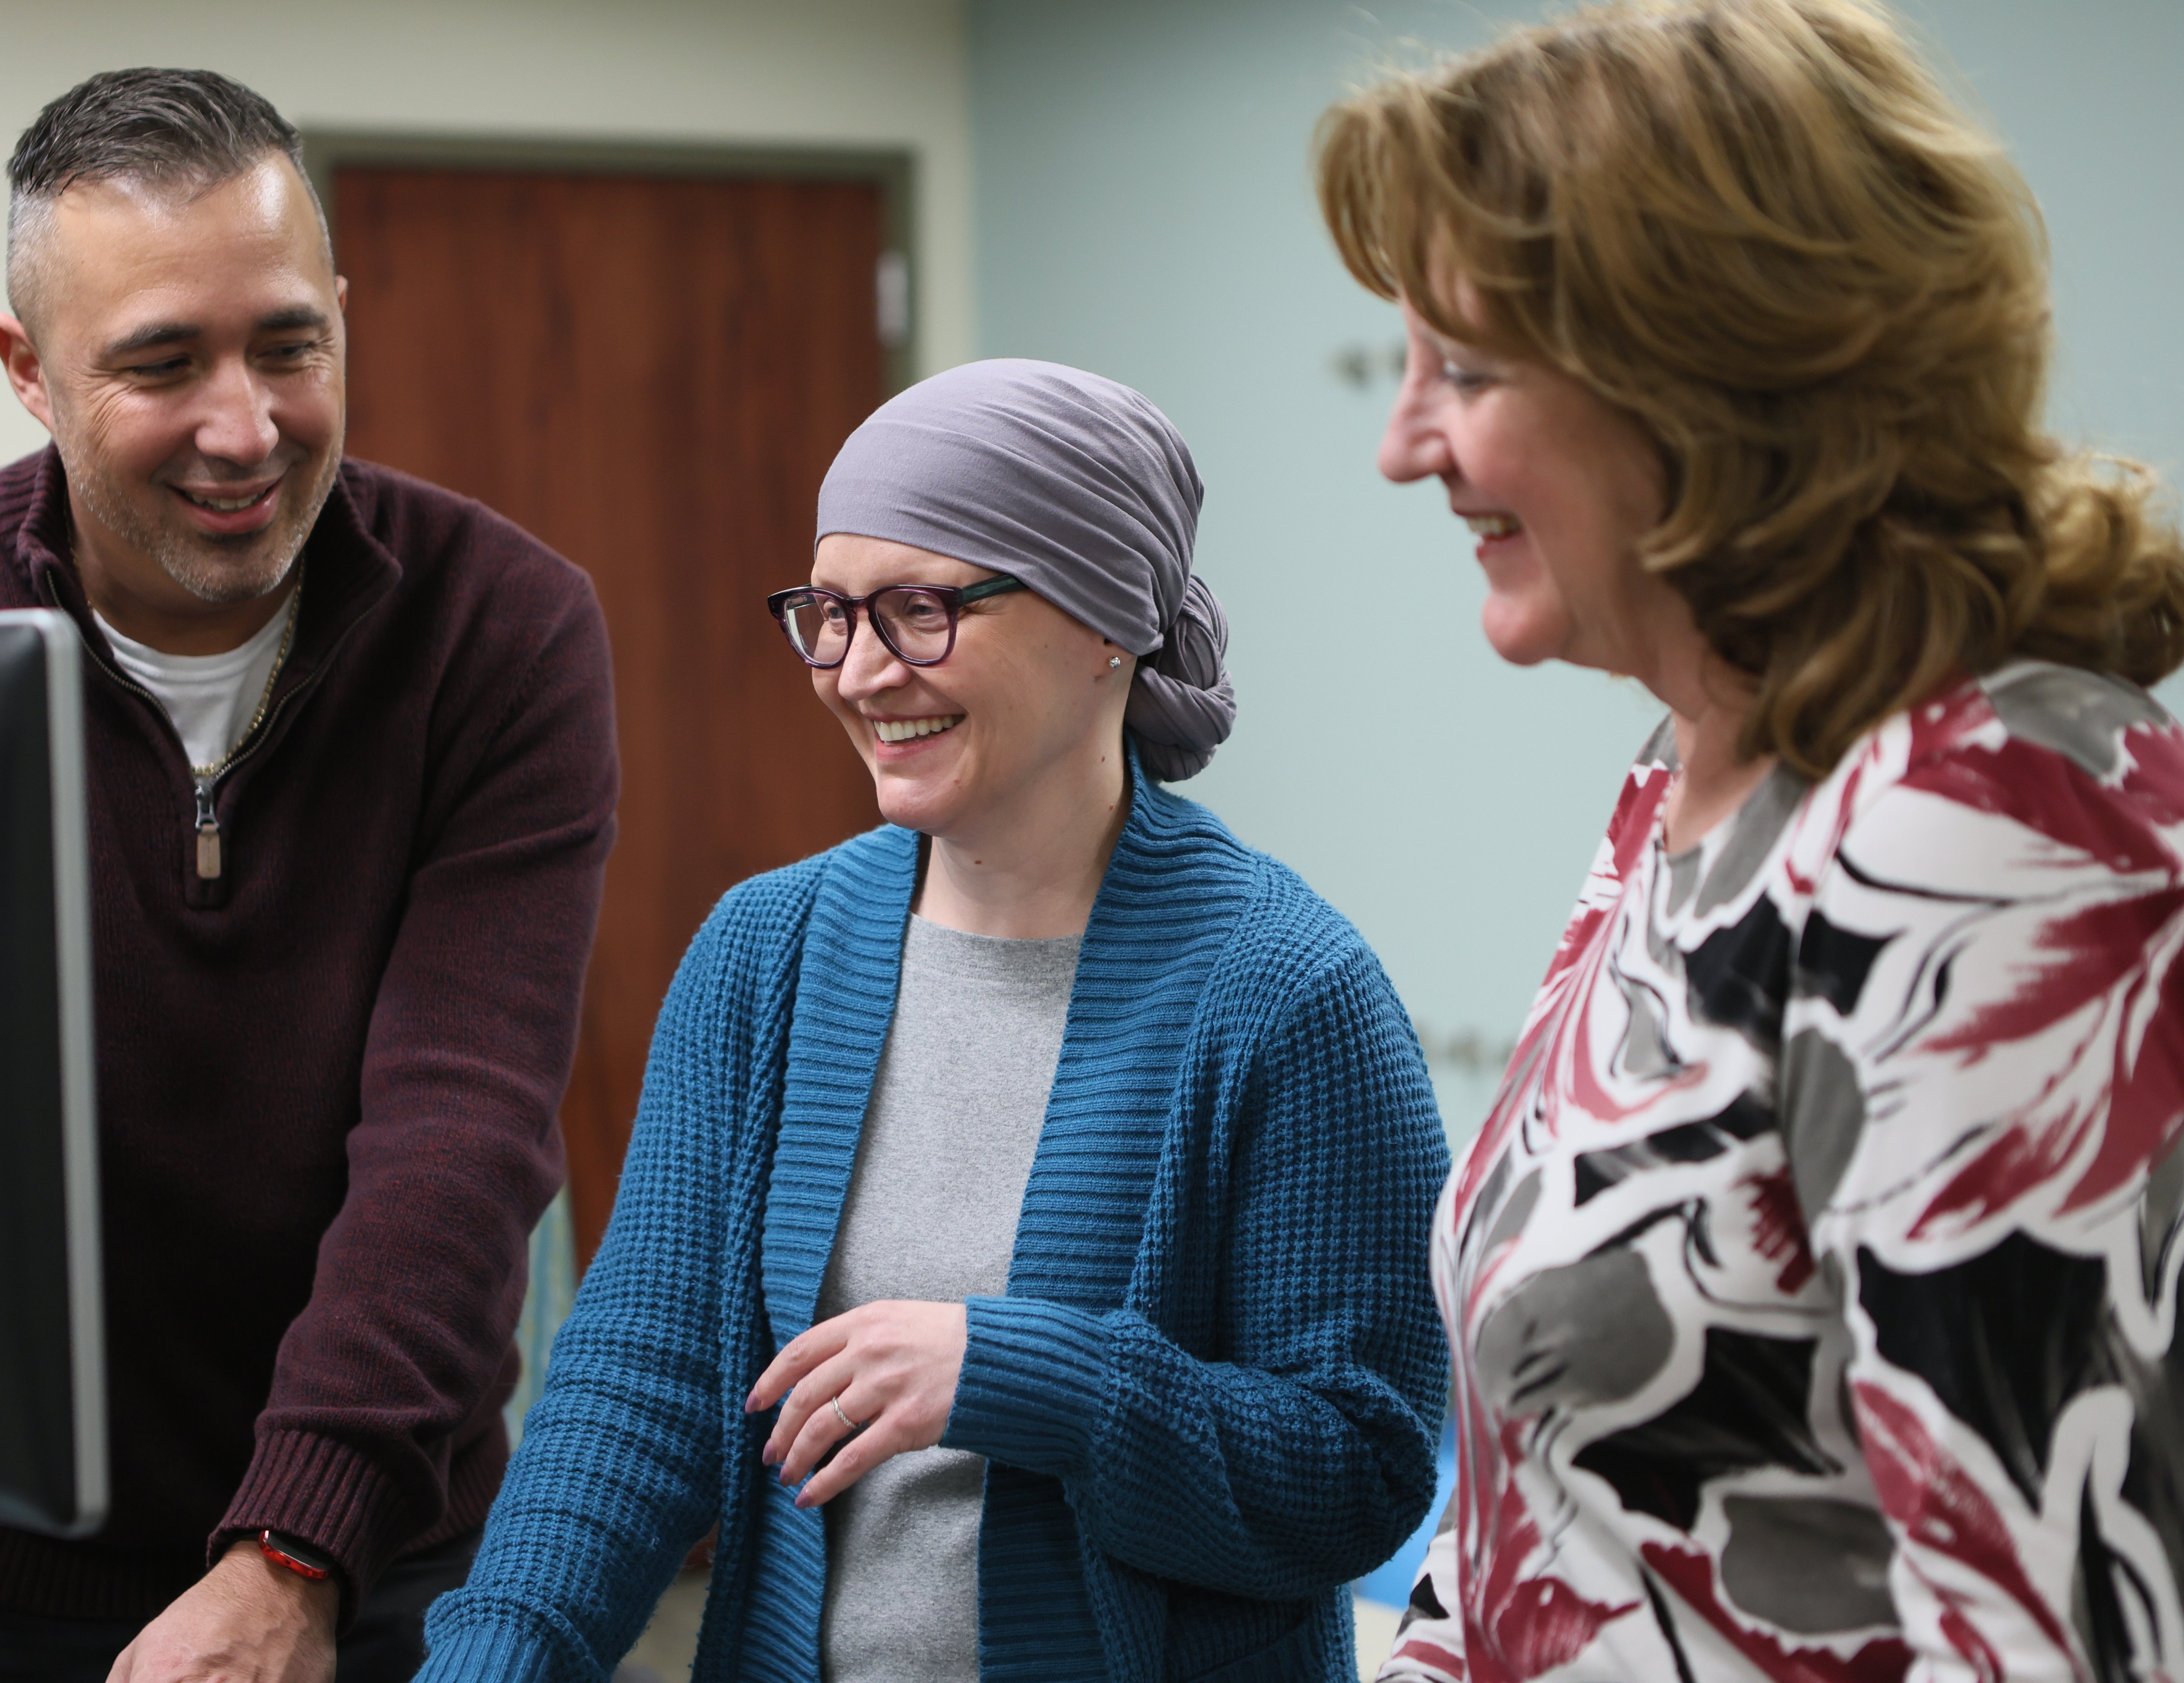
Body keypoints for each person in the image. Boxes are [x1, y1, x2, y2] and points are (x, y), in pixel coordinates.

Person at [0, 69, 617, 1683]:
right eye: (163, 363)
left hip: (373, 1553)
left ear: (342, 314)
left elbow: (458, 1135)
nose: (243, 427)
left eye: (289, 345)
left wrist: (297, 1552)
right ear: (26, 372)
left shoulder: (499, 631)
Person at [1316, 2, 2184, 1679]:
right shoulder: (1698, 771)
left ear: (1703, 374)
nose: (1403, 442)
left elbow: (2054, 1633)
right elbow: (1546, 1506)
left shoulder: (1987, 827)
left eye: (1469, 372)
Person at [415, 358, 1451, 1683]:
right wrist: (496, 1659)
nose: (857, 671)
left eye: (918, 610)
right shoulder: (764, 957)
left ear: (1103, 624)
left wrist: (1024, 1375)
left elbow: (1360, 1476)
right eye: (830, 615)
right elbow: (640, 1392)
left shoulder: (1286, 993)